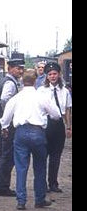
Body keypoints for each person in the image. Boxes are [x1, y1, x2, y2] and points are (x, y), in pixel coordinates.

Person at [0, 68, 62, 210]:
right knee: (39, 167)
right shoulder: (42, 97)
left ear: (22, 80)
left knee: (21, 167)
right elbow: (57, 114)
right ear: (35, 81)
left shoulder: (16, 98)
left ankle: (21, 200)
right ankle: (39, 199)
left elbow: (5, 118)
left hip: (20, 133)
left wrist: (5, 128)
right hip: (38, 132)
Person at [0, 53, 25, 197]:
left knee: (2, 154)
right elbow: (5, 100)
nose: (21, 71)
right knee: (7, 155)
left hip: (1, 121)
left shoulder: (3, 80)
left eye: (22, 68)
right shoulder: (10, 83)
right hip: (7, 123)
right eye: (18, 68)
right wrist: (9, 115)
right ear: (10, 68)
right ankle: (3, 187)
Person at [40, 61, 72, 193]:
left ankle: (53, 182)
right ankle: (42, 184)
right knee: (43, 155)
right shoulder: (42, 91)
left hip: (59, 123)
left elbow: (67, 110)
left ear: (59, 75)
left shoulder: (65, 91)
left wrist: (68, 126)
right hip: (46, 123)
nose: (52, 76)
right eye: (50, 74)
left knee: (56, 155)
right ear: (47, 76)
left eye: (55, 74)